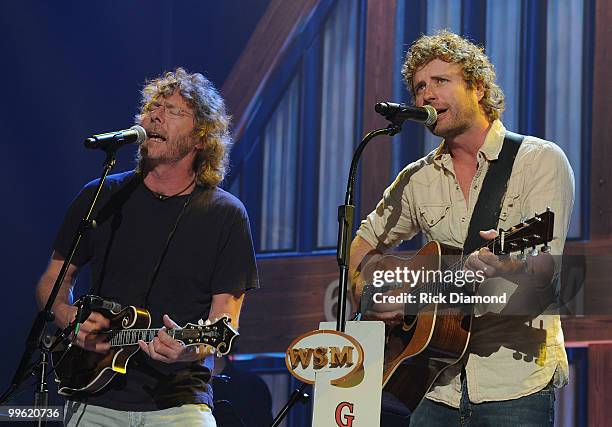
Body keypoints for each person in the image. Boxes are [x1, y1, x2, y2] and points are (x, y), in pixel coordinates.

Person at [349, 31, 574, 426]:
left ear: (479, 88)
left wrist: (506, 266)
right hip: (432, 383)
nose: (426, 95)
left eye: (440, 81)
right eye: (419, 87)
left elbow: (543, 274)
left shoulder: (539, 161)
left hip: (514, 385)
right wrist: (369, 295)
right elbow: (362, 242)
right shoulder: (417, 179)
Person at [35, 68, 259, 426]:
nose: (154, 115)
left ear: (201, 138)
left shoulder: (226, 215)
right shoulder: (102, 196)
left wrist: (190, 348)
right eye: (152, 107)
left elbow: (223, 323)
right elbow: (52, 281)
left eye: (173, 110)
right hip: (91, 394)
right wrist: (69, 318)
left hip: (180, 402)